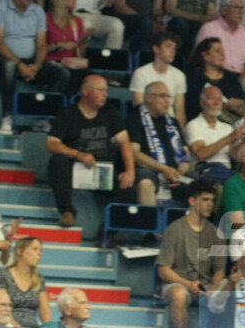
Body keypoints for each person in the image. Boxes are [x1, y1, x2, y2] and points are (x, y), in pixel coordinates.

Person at [46, 76, 136, 227]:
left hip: (103, 171)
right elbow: (51, 145)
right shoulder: (68, 113)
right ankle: (67, 212)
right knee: (57, 161)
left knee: (129, 187)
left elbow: (124, 142)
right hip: (75, 168)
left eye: (106, 90)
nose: (105, 94)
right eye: (100, 90)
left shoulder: (110, 112)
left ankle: (108, 232)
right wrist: (79, 155)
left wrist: (130, 171)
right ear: (86, 91)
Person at [0, 0, 70, 132]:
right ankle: (7, 115)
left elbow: (41, 44)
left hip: (30, 61)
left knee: (62, 73)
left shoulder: (38, 11)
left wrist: (36, 66)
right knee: (10, 66)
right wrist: (20, 64)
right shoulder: (0, 6)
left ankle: (43, 118)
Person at [156, 180, 226, 328]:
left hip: (206, 285)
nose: (210, 204)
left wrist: (214, 286)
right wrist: (189, 284)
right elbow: (164, 270)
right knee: (179, 295)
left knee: (226, 291)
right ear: (192, 201)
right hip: (180, 282)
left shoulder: (216, 233)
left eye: (212, 201)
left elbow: (220, 270)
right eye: (205, 200)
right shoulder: (175, 229)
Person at [128, 81, 196, 207]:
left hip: (174, 175)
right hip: (150, 171)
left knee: (201, 184)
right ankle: (150, 224)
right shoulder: (134, 119)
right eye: (162, 96)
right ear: (149, 98)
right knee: (146, 179)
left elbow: (185, 156)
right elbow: (134, 154)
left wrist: (179, 173)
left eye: (169, 97)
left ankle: (195, 226)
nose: (167, 101)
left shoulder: (173, 123)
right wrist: (164, 169)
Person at [186, 85, 245, 183]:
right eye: (212, 99)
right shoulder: (193, 125)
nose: (217, 103)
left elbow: (236, 157)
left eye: (219, 99)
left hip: (226, 175)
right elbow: (201, 154)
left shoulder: (227, 127)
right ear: (202, 102)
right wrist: (229, 138)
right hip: (205, 175)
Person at [195, 0, 245, 79]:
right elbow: (200, 59)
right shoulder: (208, 28)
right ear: (223, 10)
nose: (240, 11)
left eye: (242, 8)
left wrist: (240, 80)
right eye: (236, 7)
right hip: (215, 75)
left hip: (241, 77)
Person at [131, 33, 189, 127]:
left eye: (174, 48)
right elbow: (140, 108)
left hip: (170, 125)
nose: (173, 51)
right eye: (168, 46)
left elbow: (179, 113)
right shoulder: (141, 73)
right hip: (147, 125)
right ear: (156, 49)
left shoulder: (179, 76)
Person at [185, 38, 245, 121]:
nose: (222, 54)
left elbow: (242, 105)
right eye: (217, 51)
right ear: (205, 55)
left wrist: (238, 104)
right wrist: (225, 105)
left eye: (223, 51)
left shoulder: (230, 77)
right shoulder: (193, 78)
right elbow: (193, 107)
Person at [0, 236, 50, 327]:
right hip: (8, 327)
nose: (39, 253)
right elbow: (0, 308)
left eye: (40, 250)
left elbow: (46, 313)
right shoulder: (3, 275)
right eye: (34, 249)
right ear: (20, 251)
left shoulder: (39, 279)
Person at [45, 0, 89, 90]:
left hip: (71, 62)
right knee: (68, 74)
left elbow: (80, 53)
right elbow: (39, 48)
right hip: (51, 61)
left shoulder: (77, 21)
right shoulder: (45, 19)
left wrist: (83, 41)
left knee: (89, 75)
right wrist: (58, 45)